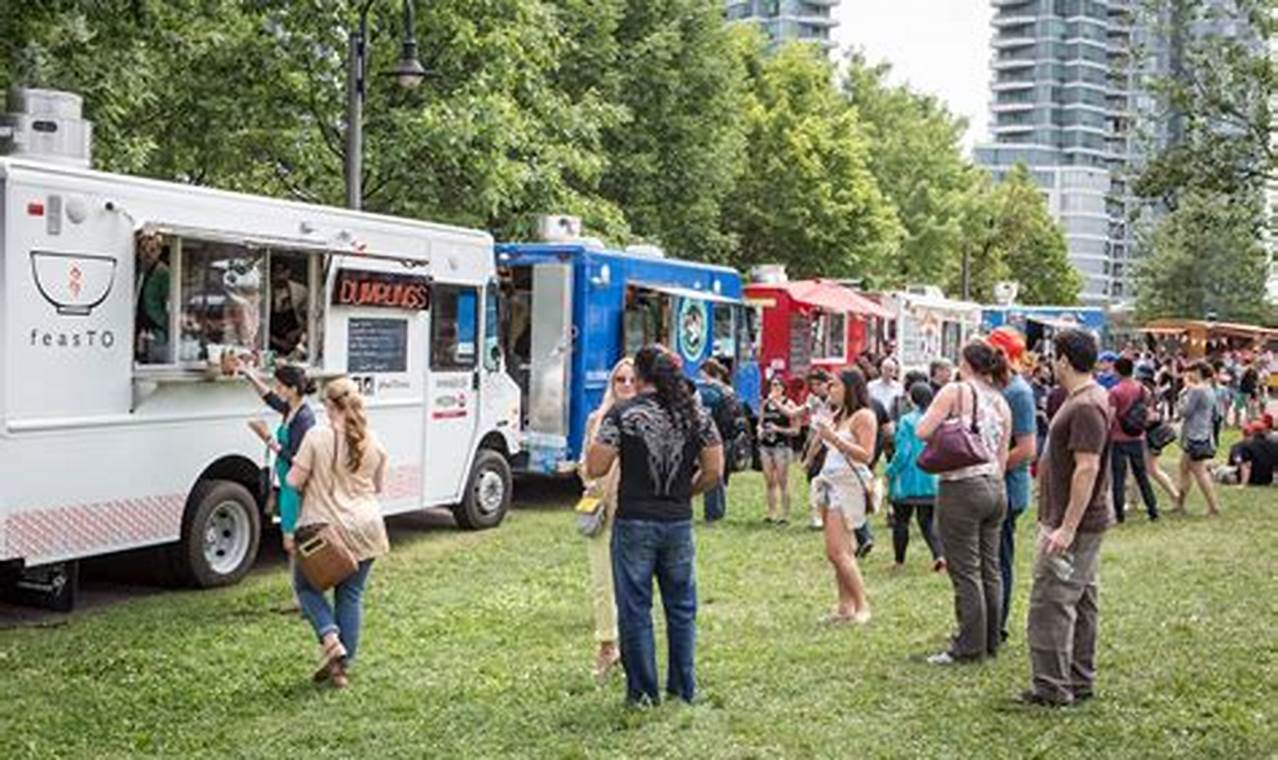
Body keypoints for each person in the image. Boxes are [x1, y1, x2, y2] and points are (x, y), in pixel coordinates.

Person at [585, 346, 723, 706]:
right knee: (681, 608)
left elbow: (596, 467)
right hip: (677, 521)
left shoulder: (623, 413)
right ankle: (683, 688)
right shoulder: (695, 415)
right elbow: (714, 470)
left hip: (634, 519)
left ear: (641, 376)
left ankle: (644, 693)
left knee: (635, 608)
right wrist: (685, 492)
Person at [1021, 328, 1114, 707]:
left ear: (1063, 360)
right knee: (1082, 599)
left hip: (1073, 522)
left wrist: (1067, 527)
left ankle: (1051, 687)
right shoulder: (1086, 398)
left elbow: (1087, 467)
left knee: (1051, 601)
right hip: (1073, 519)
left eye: (1053, 357)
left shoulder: (1086, 404)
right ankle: (1078, 679)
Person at [287, 377, 390, 690]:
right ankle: (340, 670)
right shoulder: (373, 440)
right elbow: (378, 486)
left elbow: (293, 481)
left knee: (305, 588)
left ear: (329, 405)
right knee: (351, 594)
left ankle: (330, 639)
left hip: (325, 530)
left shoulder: (317, 437)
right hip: (367, 527)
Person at [916, 341, 1012, 665]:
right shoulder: (1001, 400)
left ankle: (969, 646)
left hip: (961, 485)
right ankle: (990, 639)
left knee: (966, 570)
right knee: (990, 568)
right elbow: (1002, 454)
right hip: (995, 486)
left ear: (965, 363)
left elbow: (923, 430)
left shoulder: (955, 391)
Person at [238, 362, 317, 611]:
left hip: (296, 488)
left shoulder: (304, 418)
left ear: (293, 389)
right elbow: (269, 398)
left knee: (294, 543)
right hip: (286, 485)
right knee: (292, 544)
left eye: (281, 386)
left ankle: (305, 597)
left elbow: (298, 458)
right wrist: (250, 375)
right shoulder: (291, 409)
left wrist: (268, 439)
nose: (277, 390)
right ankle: (300, 597)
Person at [578, 359, 636, 682]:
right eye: (619, 379)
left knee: (632, 585)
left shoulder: (646, 420)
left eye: (631, 380)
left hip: (634, 512)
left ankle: (631, 648)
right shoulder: (596, 420)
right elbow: (585, 462)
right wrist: (590, 482)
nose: (626, 385)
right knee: (602, 583)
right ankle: (606, 645)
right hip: (601, 510)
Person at [810, 368, 876, 625]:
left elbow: (866, 455)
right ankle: (845, 606)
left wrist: (835, 438)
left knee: (839, 551)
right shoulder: (839, 414)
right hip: (830, 484)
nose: (830, 390)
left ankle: (862, 605)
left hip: (848, 487)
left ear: (850, 387)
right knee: (837, 551)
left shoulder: (864, 416)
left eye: (835, 385)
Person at [986, 327, 1038, 644]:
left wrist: (989, 468)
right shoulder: (1002, 388)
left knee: (998, 560)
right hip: (996, 486)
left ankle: (997, 625)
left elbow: (1027, 449)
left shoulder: (1018, 393)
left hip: (1007, 489)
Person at [886, 382, 943, 572]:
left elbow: (903, 452)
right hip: (931, 478)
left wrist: (890, 470)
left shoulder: (907, 421)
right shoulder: (937, 420)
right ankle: (939, 555)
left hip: (908, 480)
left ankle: (899, 561)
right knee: (927, 522)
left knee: (901, 521)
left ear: (912, 399)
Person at [1108, 357, 1159, 523]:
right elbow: (1148, 412)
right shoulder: (1143, 390)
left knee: (1118, 477)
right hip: (1137, 436)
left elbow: (1110, 416)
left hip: (1118, 437)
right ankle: (1152, 510)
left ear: (1117, 371)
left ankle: (1119, 514)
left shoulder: (1115, 391)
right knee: (1141, 475)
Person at [1173, 362, 1222, 516]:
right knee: (1184, 468)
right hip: (1203, 433)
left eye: (1191, 371)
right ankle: (1179, 504)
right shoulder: (1210, 389)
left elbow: (1185, 411)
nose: (1188, 375)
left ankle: (1213, 507)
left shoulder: (1196, 390)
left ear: (1198, 372)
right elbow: (1216, 414)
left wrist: (1182, 395)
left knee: (1199, 472)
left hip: (1194, 435)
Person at [697, 359, 738, 524]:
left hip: (713, 436)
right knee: (719, 474)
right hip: (727, 436)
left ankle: (712, 513)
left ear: (705, 373)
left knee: (710, 473)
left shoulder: (708, 391)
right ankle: (719, 510)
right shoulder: (728, 389)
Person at [758, 376, 801, 525]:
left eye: (777, 385)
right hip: (766, 445)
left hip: (782, 446)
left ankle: (785, 515)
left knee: (783, 481)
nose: (774, 388)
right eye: (772, 385)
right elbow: (760, 422)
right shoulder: (765, 404)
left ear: (783, 388)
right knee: (769, 481)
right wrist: (760, 430)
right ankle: (771, 513)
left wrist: (778, 429)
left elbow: (796, 430)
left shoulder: (789, 404)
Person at [802, 369, 835, 530]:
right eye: (813, 384)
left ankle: (825, 515)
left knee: (826, 481)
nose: (815, 388)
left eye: (819, 384)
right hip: (815, 440)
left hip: (830, 445)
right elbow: (800, 413)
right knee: (814, 479)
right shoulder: (813, 400)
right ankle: (818, 515)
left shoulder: (834, 401)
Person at [134, 229, 171, 364]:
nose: (147, 253)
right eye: (143, 249)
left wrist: (165, 326)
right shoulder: (136, 269)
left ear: (159, 251)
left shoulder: (163, 273)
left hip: (155, 327)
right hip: (137, 324)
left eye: (152, 250)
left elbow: (168, 303)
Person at [269, 259, 310, 358]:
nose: (280, 276)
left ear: (289, 272)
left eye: (283, 272)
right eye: (276, 273)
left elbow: (309, 319)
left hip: (295, 343)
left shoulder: (300, 291)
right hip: (270, 342)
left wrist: (297, 332)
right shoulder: (264, 291)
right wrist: (276, 341)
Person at [1229, 422, 1278, 487]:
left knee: (1222, 471)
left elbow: (1244, 464)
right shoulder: (1275, 445)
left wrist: (1243, 484)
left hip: (1250, 479)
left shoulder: (1241, 446)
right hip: (1269, 479)